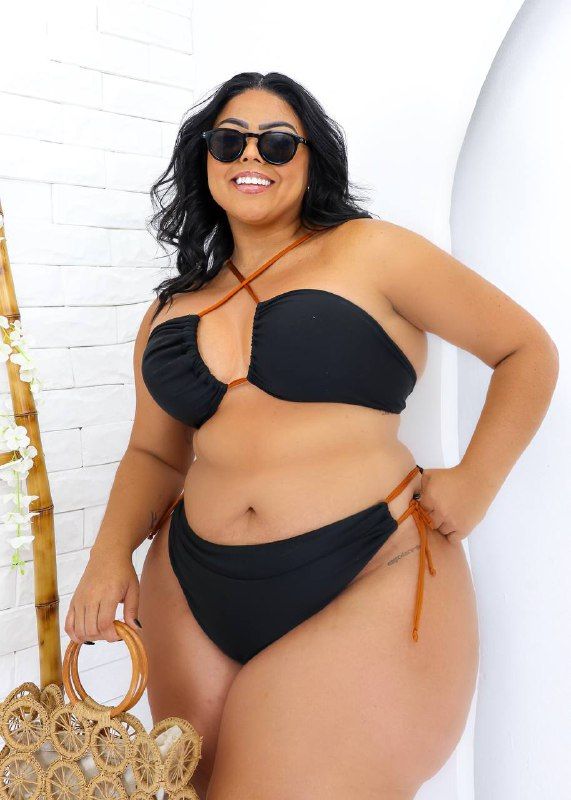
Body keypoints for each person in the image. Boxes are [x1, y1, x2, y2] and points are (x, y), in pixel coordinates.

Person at [65, 72, 559, 799]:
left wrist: (476, 481)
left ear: (310, 158)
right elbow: (154, 453)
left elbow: (525, 350)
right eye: (229, 141)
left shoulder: (372, 252)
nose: (250, 156)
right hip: (192, 590)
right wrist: (109, 555)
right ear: (205, 158)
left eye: (276, 143)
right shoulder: (171, 309)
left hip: (368, 566)